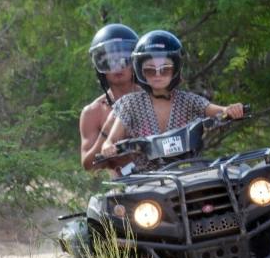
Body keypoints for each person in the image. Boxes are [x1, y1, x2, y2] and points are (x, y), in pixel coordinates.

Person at [98, 29, 245, 160]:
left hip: (189, 172)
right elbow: (110, 141)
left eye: (165, 69)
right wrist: (108, 147)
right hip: (145, 180)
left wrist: (232, 110)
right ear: (140, 72)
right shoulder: (130, 104)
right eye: (150, 70)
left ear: (175, 70)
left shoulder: (189, 100)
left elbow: (220, 111)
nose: (157, 75)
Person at [78, 23, 139, 172]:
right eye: (110, 61)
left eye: (124, 59)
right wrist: (106, 132)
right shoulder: (92, 112)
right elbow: (89, 166)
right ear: (100, 67)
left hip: (166, 178)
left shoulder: (154, 97)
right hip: (127, 188)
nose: (117, 66)